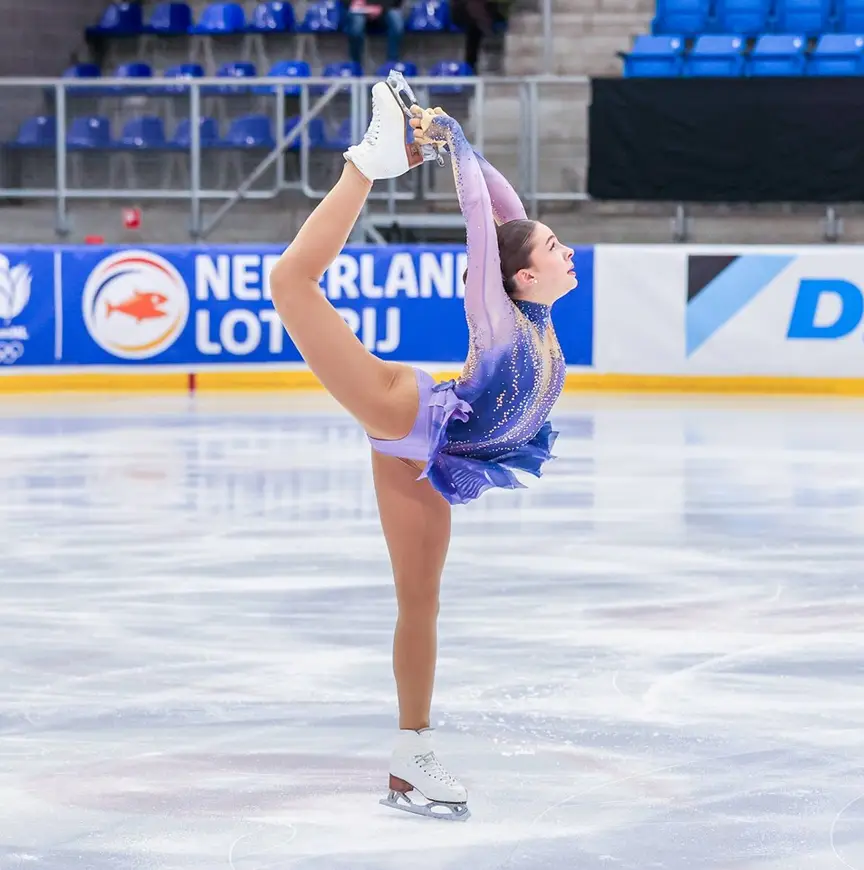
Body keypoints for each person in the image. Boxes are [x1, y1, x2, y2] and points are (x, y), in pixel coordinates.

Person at [269, 74, 577, 821]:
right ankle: (363, 166)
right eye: (556, 247)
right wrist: (455, 148)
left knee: (420, 599)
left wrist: (457, 149)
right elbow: (482, 220)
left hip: (434, 457)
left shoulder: (534, 312)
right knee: (290, 282)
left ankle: (411, 759)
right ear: (524, 275)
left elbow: (506, 212)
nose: (570, 251)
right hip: (409, 411)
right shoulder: (499, 315)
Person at [343, 0, 404, 70]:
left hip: (384, 8)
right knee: (356, 27)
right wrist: (353, 2)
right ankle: (355, 66)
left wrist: (381, 6)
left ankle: (392, 64)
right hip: (358, 9)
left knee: (396, 23)